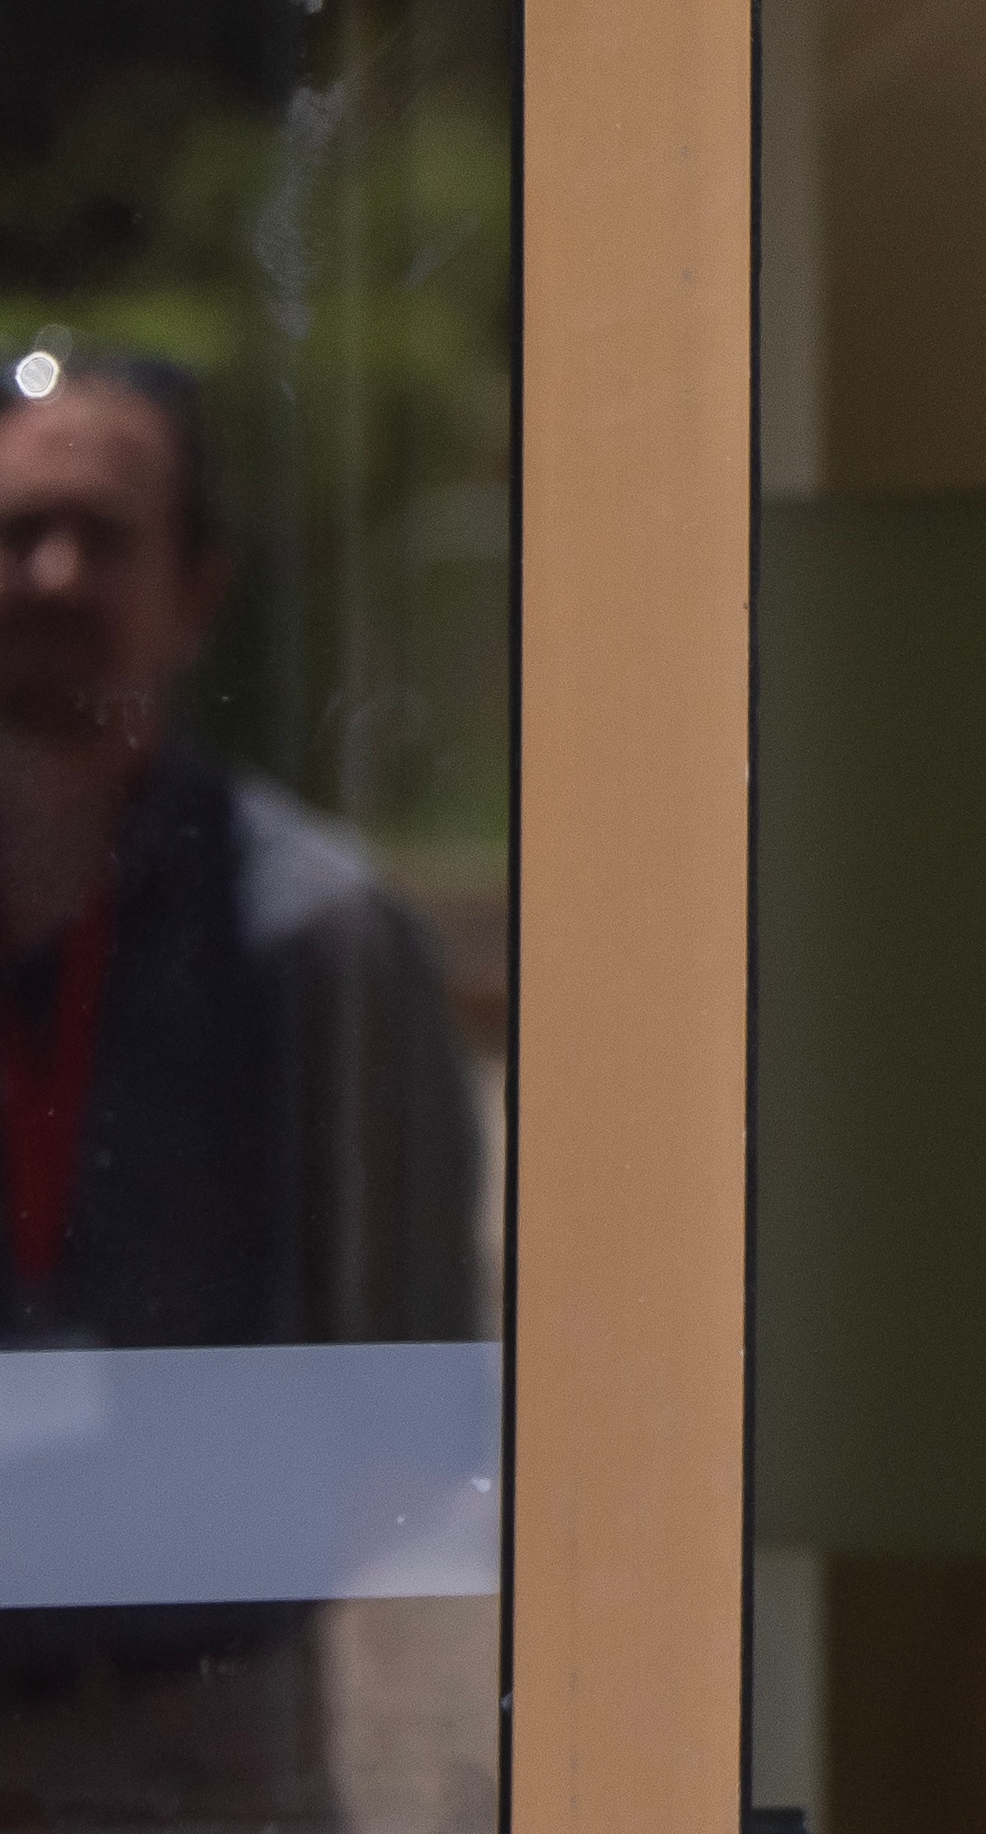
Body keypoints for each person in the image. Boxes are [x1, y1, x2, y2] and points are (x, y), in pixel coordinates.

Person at [0, 355, 482, 1823]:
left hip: (192, 1753)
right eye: (17, 529)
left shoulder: (321, 935)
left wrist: (170, 1560)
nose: (55, 569)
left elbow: (413, 1403)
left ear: (199, 585)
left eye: (108, 529)